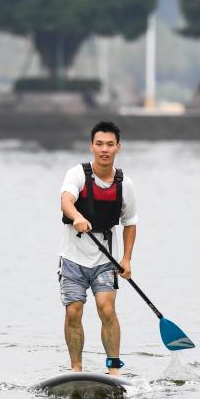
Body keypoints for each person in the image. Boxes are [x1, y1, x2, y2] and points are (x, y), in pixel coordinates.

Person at [59, 121, 138, 376]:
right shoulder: (77, 174)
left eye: (110, 145)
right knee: (74, 311)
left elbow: (130, 223)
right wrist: (77, 217)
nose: (104, 149)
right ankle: (76, 369)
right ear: (92, 146)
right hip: (72, 258)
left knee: (107, 308)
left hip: (105, 260)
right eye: (99, 144)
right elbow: (66, 201)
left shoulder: (125, 184)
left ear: (118, 147)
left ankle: (113, 369)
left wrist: (126, 259)